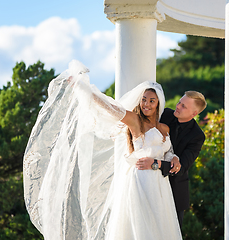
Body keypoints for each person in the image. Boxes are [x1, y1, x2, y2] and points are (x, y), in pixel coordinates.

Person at [23, 60, 182, 240]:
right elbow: (111, 108)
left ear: (158, 103)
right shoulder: (135, 121)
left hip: (159, 183)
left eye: (151, 101)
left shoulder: (164, 128)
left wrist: (174, 157)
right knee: (140, 226)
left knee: (158, 225)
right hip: (141, 180)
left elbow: (166, 152)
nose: (146, 104)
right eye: (144, 100)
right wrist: (84, 89)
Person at [136, 91, 207, 228]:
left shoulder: (197, 136)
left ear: (194, 114)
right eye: (180, 102)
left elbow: (182, 168)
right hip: (148, 183)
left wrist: (155, 164)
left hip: (175, 192)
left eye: (184, 106)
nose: (178, 106)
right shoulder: (166, 114)